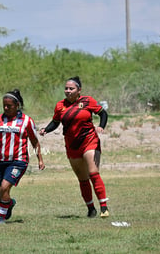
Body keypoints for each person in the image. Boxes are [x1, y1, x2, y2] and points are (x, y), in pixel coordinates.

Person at [39, 76, 109, 218]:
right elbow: (55, 122)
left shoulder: (88, 101)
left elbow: (103, 113)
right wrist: (46, 129)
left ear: (79, 90)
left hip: (89, 141)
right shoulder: (60, 105)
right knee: (82, 178)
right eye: (66, 88)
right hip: (72, 145)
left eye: (71, 88)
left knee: (93, 172)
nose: (68, 91)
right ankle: (91, 209)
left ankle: (104, 207)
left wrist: (101, 126)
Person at [0, 89, 45, 224]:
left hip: (18, 161)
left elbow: (34, 141)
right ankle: (10, 203)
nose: (6, 108)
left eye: (9, 106)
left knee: (4, 188)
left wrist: (40, 159)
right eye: (4, 105)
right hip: (1, 161)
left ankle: (0, 217)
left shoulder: (26, 121)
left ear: (17, 105)